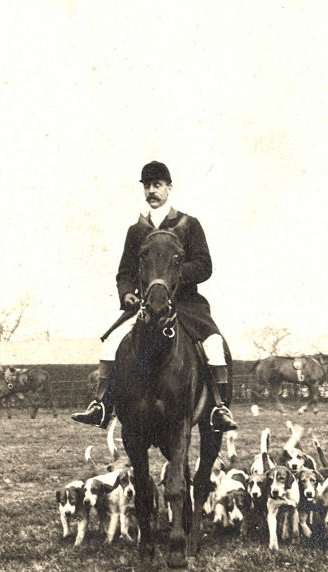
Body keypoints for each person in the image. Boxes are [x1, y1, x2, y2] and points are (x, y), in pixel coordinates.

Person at [71, 160, 238, 432]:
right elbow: (124, 272)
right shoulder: (136, 230)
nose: (152, 191)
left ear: (169, 188)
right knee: (112, 341)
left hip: (185, 304)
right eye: (147, 186)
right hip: (146, 305)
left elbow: (204, 265)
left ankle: (218, 408)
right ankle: (100, 405)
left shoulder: (188, 224)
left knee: (214, 343)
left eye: (157, 185)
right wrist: (126, 294)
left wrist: (171, 274)